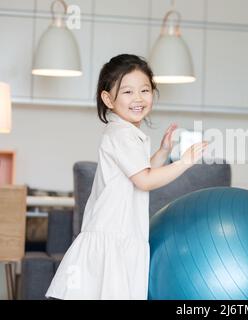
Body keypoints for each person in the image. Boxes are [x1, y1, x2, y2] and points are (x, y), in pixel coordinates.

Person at [45, 54, 208, 299]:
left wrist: (163, 151)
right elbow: (145, 180)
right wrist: (184, 162)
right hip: (113, 235)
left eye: (145, 90)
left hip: (122, 235)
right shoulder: (121, 134)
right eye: (127, 92)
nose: (138, 98)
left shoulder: (127, 133)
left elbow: (139, 172)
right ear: (108, 99)